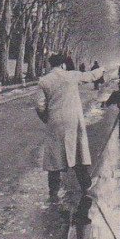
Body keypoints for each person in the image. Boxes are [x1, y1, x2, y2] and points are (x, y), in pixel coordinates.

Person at [36, 54, 105, 199]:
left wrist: (47, 119)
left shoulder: (44, 81)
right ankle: (85, 184)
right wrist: (102, 70)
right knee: (77, 152)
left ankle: (53, 190)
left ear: (51, 65)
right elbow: (91, 76)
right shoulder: (71, 76)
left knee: (54, 156)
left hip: (55, 121)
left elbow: (40, 105)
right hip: (73, 120)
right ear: (63, 65)